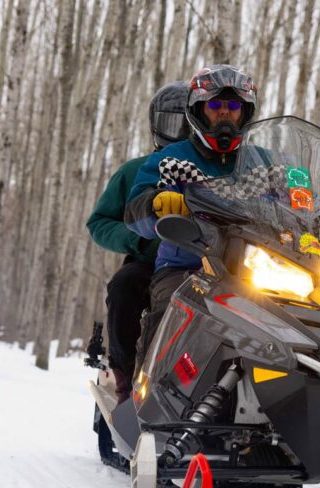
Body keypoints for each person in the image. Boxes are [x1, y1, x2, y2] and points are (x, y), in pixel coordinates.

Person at [125, 64, 258, 368]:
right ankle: (145, 395)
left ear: (245, 112)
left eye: (233, 106)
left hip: (255, 271)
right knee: (172, 306)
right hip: (189, 266)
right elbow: (135, 211)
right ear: (198, 110)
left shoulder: (263, 162)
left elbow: (295, 198)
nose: (225, 113)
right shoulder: (172, 159)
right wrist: (156, 203)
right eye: (215, 105)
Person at [86, 81, 190, 403]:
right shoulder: (137, 171)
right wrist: (137, 240)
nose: (182, 131)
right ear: (156, 126)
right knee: (123, 287)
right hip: (149, 263)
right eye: (174, 123)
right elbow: (99, 222)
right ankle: (127, 381)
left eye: (188, 122)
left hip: (215, 265)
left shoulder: (213, 170)